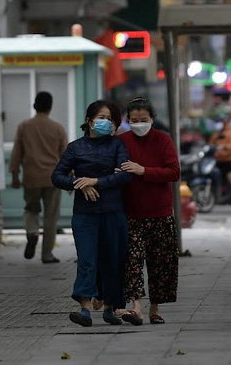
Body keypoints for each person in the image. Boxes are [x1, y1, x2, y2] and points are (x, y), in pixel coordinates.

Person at [51, 99, 132, 327]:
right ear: (89, 120)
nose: (105, 122)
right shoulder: (75, 147)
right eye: (101, 117)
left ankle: (109, 307)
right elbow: (57, 176)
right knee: (87, 259)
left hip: (113, 212)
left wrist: (96, 181)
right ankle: (84, 309)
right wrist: (79, 183)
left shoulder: (117, 146)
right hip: (85, 214)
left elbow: (125, 175)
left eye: (110, 119)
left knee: (113, 260)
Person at [117, 97, 180, 326]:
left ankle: (154, 308)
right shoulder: (121, 141)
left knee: (160, 263)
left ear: (152, 119)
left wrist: (144, 171)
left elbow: (174, 172)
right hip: (131, 213)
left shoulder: (163, 140)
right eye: (134, 120)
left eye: (144, 120)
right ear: (128, 120)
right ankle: (136, 307)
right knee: (132, 261)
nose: (139, 123)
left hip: (160, 213)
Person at [9, 91, 67, 263]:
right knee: (51, 216)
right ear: (50, 107)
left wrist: (14, 175)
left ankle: (33, 231)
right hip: (53, 178)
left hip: (31, 177)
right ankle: (47, 255)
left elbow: (16, 153)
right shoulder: (57, 128)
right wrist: (70, 178)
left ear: (35, 106)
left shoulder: (24, 126)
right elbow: (66, 155)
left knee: (30, 209)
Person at [208, 115, 231, 209]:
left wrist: (224, 147)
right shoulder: (216, 134)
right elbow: (211, 144)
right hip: (219, 160)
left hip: (229, 160)